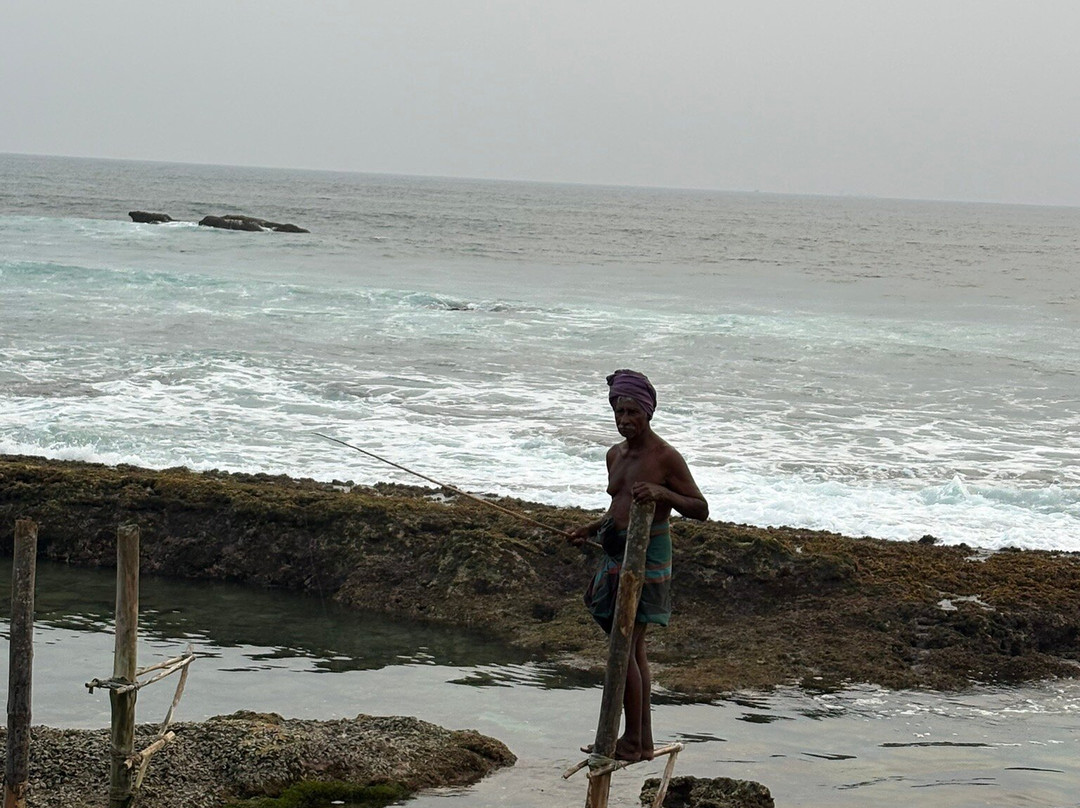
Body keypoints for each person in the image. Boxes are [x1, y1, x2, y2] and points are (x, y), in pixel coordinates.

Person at [569, 369, 709, 762]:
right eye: (619, 412)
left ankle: (633, 741)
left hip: (647, 557)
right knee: (632, 647)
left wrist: (663, 492)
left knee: (625, 645)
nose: (625, 419)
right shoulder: (614, 454)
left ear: (648, 412)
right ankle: (639, 742)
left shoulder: (665, 456)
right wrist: (590, 529)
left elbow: (700, 509)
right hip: (617, 554)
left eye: (632, 412)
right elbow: (619, 507)